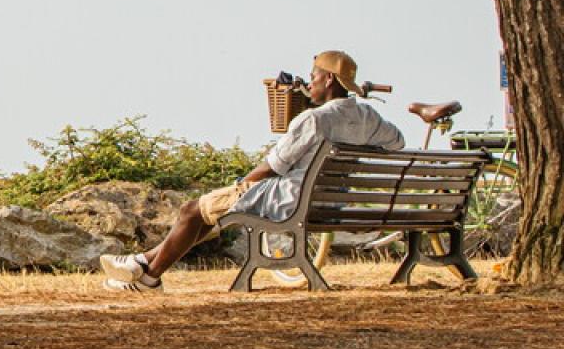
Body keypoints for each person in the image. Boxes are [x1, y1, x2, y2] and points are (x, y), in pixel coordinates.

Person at [100, 50, 405, 291]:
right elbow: (397, 142)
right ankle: (141, 264)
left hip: (290, 200)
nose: (309, 83)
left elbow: (274, 166)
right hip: (330, 203)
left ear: (328, 80)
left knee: (193, 211)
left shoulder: (314, 120)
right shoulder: (368, 116)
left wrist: (240, 184)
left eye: (313, 77)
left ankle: (148, 278)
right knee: (212, 213)